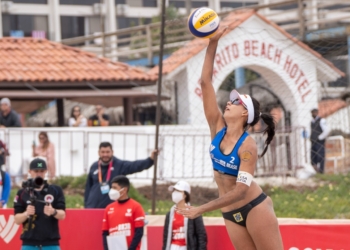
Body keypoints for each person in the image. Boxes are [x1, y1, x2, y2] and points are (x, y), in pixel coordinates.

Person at [177, 28, 284, 250]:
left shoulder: (248, 146)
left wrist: (201, 209)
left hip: (254, 206)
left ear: (246, 113)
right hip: (230, 211)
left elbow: (241, 190)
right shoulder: (217, 127)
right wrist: (212, 43)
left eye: (236, 102)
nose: (229, 102)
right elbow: (205, 82)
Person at [84, 142, 158, 208]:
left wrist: (150, 160)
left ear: (112, 152)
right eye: (103, 152)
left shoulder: (119, 165)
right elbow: (88, 187)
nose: (105, 154)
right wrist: (86, 205)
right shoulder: (94, 166)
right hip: (92, 207)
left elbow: (134, 165)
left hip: (111, 208)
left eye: (107, 152)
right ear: (99, 153)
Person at [14, 158, 66, 250]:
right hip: (29, 243)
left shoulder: (55, 190)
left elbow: (62, 215)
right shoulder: (22, 192)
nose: (39, 174)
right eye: (36, 171)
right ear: (30, 171)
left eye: (42, 171)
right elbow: (17, 220)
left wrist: (53, 211)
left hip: (51, 243)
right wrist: (26, 213)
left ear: (46, 171)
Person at [102, 175, 145, 250]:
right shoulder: (109, 208)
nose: (112, 190)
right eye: (111, 187)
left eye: (115, 188)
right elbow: (105, 232)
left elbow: (139, 232)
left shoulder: (136, 206)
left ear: (124, 190)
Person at [163, 181, 207, 250]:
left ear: (185, 195)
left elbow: (201, 236)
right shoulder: (170, 214)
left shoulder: (194, 212)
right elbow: (166, 237)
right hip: (173, 247)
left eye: (178, 191)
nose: (174, 193)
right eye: (174, 190)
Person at [310, 108, 329, 174]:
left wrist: (320, 137)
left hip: (319, 142)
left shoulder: (322, 120)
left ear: (317, 112)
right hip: (313, 141)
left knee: (320, 156)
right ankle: (315, 171)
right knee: (313, 157)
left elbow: (326, 130)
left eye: (315, 112)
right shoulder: (312, 122)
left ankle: (321, 171)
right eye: (312, 112)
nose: (313, 114)